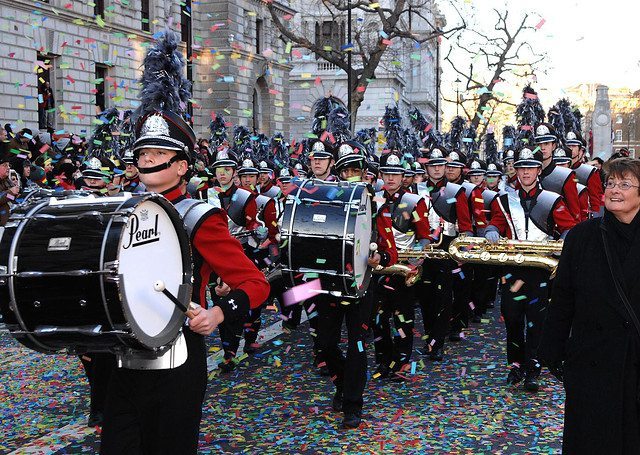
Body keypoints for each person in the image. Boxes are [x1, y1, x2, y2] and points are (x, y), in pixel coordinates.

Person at [100, 31, 269, 454]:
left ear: (181, 166)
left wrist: (216, 313)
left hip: (177, 356)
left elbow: (255, 284)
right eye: (142, 154)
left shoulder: (200, 217)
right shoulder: (122, 213)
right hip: (123, 356)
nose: (147, 161)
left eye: (159, 155)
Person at [539, 157, 640, 454]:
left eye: (625, 184)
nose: (614, 190)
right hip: (591, 360)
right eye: (610, 183)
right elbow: (563, 297)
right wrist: (552, 350)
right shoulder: (583, 237)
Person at [315, 140, 397, 429]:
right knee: (324, 345)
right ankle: (342, 385)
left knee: (358, 345)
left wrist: (380, 256)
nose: (351, 174)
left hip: (362, 285)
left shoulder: (376, 205)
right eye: (345, 169)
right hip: (327, 283)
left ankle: (353, 405)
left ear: (365, 173)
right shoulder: (326, 199)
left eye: (356, 169)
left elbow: (390, 250)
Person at [484, 147, 576, 392]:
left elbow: (568, 227)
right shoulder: (504, 199)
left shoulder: (552, 199)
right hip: (513, 268)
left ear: (538, 171)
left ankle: (533, 368)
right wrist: (492, 229)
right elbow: (497, 222)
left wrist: (564, 239)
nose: (525, 172)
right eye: (521, 167)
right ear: (516, 170)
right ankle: (516, 365)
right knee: (512, 317)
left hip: (540, 269)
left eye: (530, 167)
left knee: (537, 320)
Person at [372, 151, 431, 381]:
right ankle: (383, 361)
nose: (391, 178)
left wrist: (415, 263)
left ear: (402, 176)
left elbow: (424, 237)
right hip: (376, 267)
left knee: (402, 318)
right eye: (387, 173)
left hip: (402, 267)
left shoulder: (415, 201)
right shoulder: (373, 198)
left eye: (395, 174)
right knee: (378, 318)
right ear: (381, 175)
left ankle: (402, 363)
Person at [0, 150, 20, 226]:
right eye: (4, 165)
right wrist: (10, 192)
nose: (8, 168)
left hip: (9, 218)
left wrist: (14, 195)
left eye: (8, 165)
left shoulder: (7, 180)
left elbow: (11, 197)